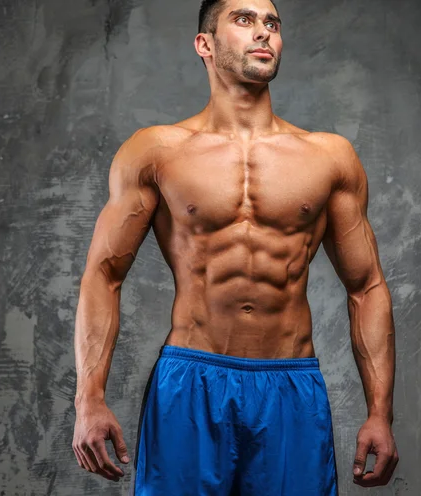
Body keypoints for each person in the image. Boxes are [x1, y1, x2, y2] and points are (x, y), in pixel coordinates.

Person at [72, 0, 399, 493]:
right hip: (190, 383)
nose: (263, 32)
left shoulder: (329, 158)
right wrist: (88, 400)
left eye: (272, 23)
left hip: (290, 386)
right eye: (244, 20)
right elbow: (104, 274)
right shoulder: (156, 151)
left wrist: (380, 413)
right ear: (205, 43)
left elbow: (366, 286)